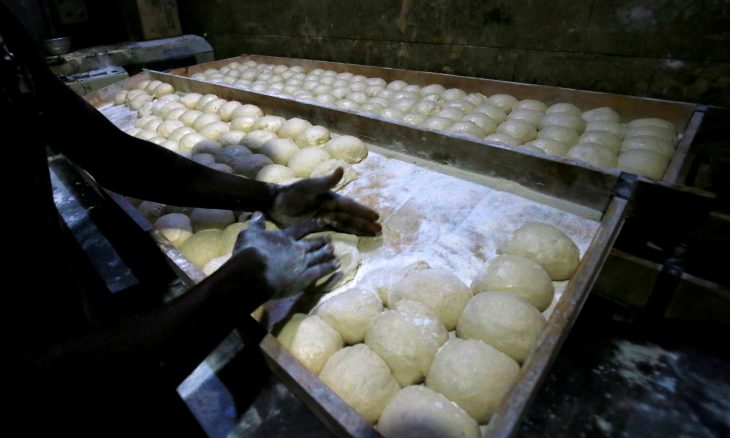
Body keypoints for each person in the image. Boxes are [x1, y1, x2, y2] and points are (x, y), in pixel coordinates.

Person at [1, 4, 381, 435]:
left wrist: (268, 196)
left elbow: (106, 152)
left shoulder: (3, 32)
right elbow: (44, 385)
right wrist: (242, 283)